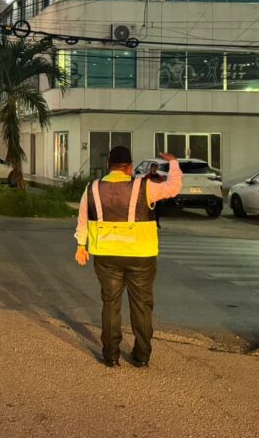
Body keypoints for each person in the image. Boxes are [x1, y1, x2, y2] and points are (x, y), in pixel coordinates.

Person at [74, 147, 182, 368]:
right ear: (130, 167)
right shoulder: (144, 187)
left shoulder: (92, 188)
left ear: (108, 166)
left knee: (110, 303)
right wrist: (174, 163)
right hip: (141, 256)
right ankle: (141, 356)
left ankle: (111, 355)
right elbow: (173, 188)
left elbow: (83, 218)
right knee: (142, 305)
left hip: (106, 255)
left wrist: (80, 245)